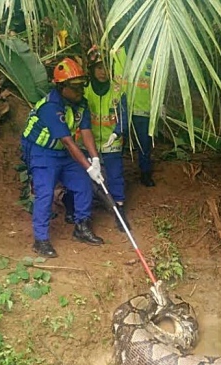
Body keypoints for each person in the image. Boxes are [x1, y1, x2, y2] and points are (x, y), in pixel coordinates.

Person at [21, 57, 105, 258]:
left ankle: (81, 227)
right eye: (75, 87)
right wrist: (88, 166)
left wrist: (95, 161)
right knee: (45, 193)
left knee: (83, 183)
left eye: (81, 86)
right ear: (61, 87)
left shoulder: (80, 103)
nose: (80, 91)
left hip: (64, 152)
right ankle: (40, 240)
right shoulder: (50, 107)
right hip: (43, 153)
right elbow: (68, 141)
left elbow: (85, 131)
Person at [82, 45, 130, 231]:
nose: (103, 72)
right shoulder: (85, 91)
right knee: (84, 175)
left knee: (115, 174)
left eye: (106, 67)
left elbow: (124, 115)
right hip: (89, 141)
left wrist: (117, 132)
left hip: (112, 140)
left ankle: (119, 208)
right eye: (99, 67)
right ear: (92, 69)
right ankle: (83, 212)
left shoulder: (117, 91)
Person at [114, 46, 156, 187]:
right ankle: (116, 175)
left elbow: (156, 84)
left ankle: (145, 173)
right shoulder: (117, 54)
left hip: (143, 109)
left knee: (144, 144)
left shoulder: (150, 59)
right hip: (121, 108)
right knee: (117, 142)